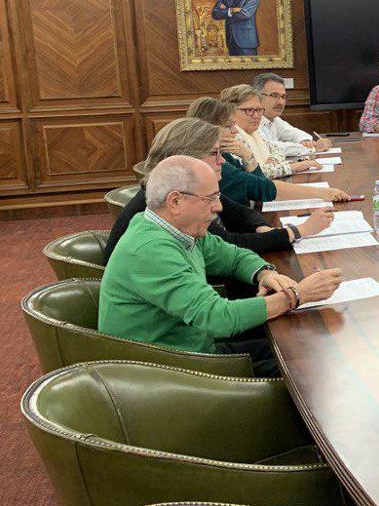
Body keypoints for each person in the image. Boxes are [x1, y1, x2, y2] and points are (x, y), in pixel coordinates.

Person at [99, 156, 344, 375]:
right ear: (175, 201)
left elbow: (234, 256)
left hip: (191, 347)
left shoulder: (173, 228)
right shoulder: (151, 249)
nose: (219, 207)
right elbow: (217, 317)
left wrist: (264, 272)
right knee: (310, 359)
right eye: (211, 198)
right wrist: (297, 295)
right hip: (170, 372)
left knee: (305, 343)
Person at [103, 118, 333, 267]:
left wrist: (259, 226)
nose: (222, 160)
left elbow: (238, 212)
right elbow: (229, 244)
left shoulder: (181, 188)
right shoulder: (174, 202)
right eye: (214, 153)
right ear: (187, 159)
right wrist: (298, 231)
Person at [186, 96, 348, 207]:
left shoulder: (224, 154)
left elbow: (259, 186)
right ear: (209, 129)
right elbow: (261, 188)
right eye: (229, 125)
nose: (235, 131)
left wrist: (248, 157)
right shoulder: (210, 162)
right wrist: (322, 193)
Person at [221, 84, 320, 179]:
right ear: (230, 111)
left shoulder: (254, 133)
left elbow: (278, 150)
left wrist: (272, 161)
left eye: (259, 110)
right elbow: (252, 174)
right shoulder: (231, 137)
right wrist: (293, 167)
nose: (256, 116)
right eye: (249, 110)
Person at [253, 72, 333, 154]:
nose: (280, 102)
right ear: (257, 96)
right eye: (274, 95)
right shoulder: (251, 120)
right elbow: (269, 147)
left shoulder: (274, 120)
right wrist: (311, 148)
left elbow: (295, 133)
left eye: (283, 97)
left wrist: (306, 140)